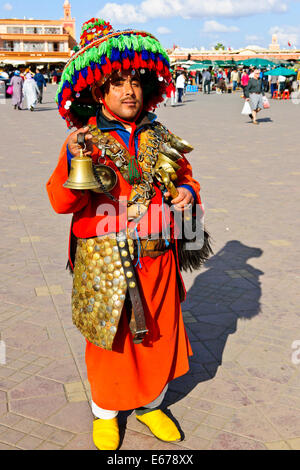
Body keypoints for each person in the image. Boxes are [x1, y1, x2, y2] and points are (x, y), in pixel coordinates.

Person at [46, 17, 210, 451]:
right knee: (110, 342)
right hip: (106, 261)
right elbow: (61, 202)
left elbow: (188, 176)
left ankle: (152, 404)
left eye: (134, 81)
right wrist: (72, 160)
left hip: (159, 258)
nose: (128, 91)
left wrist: (188, 194)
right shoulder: (85, 140)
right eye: (117, 83)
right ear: (100, 92)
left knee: (158, 337)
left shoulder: (162, 134)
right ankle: (106, 409)